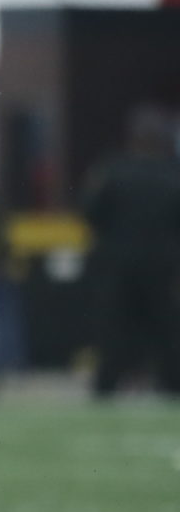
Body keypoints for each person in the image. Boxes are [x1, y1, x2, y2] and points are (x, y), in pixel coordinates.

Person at [81, 106, 180, 396]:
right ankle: (172, 383)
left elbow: (91, 212)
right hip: (162, 264)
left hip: (117, 261)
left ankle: (107, 384)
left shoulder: (114, 170)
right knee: (165, 326)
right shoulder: (172, 174)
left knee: (114, 325)